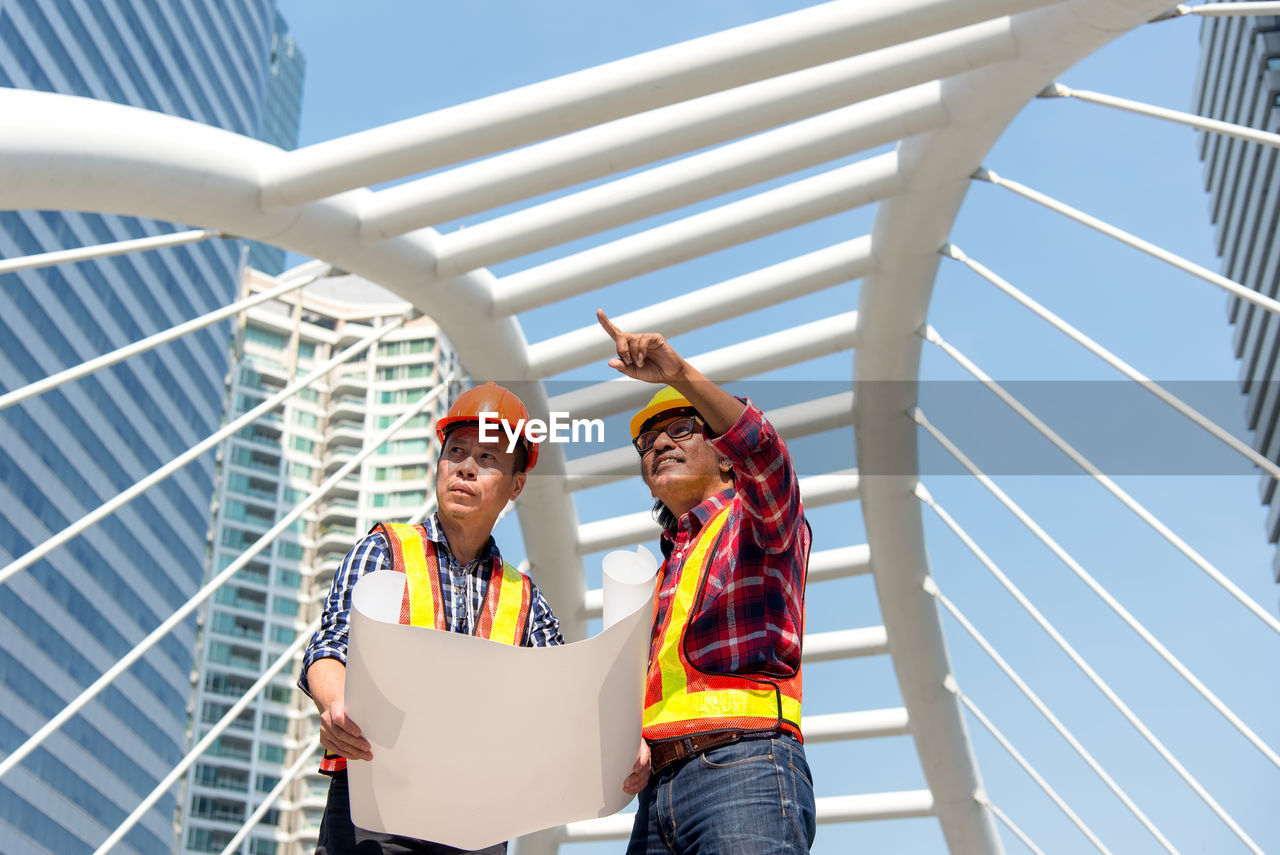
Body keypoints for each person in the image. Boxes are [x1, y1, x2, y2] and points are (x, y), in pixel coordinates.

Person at [299, 381, 564, 855]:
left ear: (516, 485)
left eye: (487, 459)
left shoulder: (527, 603)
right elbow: (331, 644)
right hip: (374, 807)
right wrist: (336, 706)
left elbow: (560, 703)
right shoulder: (385, 551)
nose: (465, 467)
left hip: (476, 819)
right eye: (456, 451)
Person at [600, 310, 816, 855]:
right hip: (658, 794)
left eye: (680, 428)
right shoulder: (665, 570)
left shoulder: (758, 522)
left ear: (725, 457)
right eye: (646, 441)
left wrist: (676, 374)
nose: (659, 444)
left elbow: (766, 455)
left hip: (743, 768)